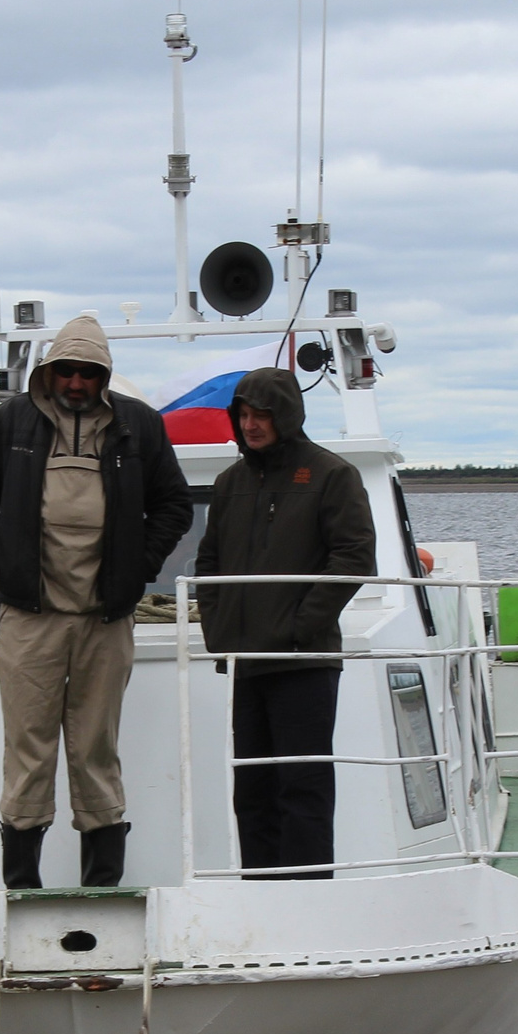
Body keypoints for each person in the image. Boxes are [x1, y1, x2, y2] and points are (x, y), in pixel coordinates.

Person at [0, 315, 193, 888]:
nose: (77, 382)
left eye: (89, 373)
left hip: (105, 620)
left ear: (103, 376)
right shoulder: (13, 421)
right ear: (50, 372)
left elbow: (174, 505)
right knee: (27, 751)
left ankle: (103, 887)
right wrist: (4, 552)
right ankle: (21, 890)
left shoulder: (139, 425)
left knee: (96, 751)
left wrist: (138, 565)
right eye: (67, 371)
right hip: (28, 617)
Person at [193, 365, 376, 880]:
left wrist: (300, 628)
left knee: (303, 787)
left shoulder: (332, 475)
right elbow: (208, 563)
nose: (251, 425)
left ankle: (309, 898)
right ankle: (262, 895)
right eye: (244, 415)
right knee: (253, 790)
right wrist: (218, 632)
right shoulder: (230, 483)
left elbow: (354, 557)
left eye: (262, 415)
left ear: (287, 416)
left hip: (304, 662)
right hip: (246, 660)